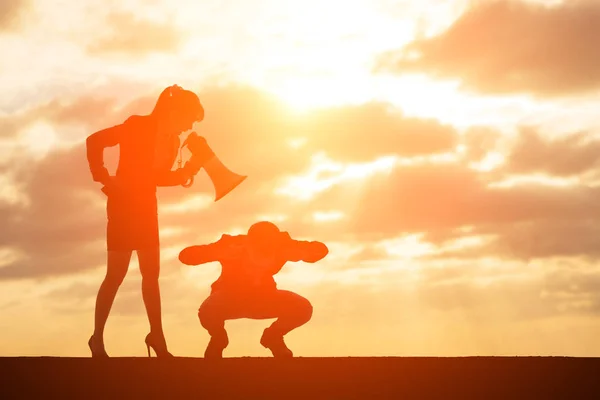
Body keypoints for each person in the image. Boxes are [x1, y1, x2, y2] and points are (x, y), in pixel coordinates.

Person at [86, 84, 214, 358]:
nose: (188, 127)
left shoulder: (171, 142)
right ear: (175, 111)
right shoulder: (137, 126)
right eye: (189, 119)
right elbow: (94, 141)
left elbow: (158, 178)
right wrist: (104, 177)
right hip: (122, 205)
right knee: (116, 275)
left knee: (151, 276)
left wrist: (190, 168)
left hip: (146, 205)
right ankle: (97, 339)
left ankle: (157, 337)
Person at [178, 221, 329, 359]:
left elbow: (321, 250)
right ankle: (218, 338)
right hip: (230, 299)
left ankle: (273, 336)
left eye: (269, 244)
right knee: (207, 311)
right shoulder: (233, 244)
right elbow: (185, 256)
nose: (265, 247)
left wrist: (304, 252)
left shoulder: (282, 245)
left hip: (264, 298)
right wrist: (219, 253)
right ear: (251, 241)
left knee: (302, 308)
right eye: (261, 243)